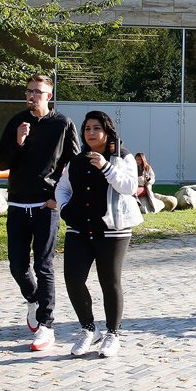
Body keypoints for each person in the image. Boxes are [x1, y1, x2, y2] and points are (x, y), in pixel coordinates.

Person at [0, 74, 79, 352]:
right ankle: (33, 299)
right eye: (29, 91)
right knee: (17, 266)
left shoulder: (63, 124)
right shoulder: (17, 122)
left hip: (46, 206)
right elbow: (1, 162)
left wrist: (60, 198)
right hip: (18, 204)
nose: (32, 96)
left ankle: (46, 325)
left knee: (44, 266)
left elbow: (74, 165)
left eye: (38, 92)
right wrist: (18, 142)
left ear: (49, 96)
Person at [55, 111, 141, 359]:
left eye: (96, 128)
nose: (91, 133)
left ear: (107, 132)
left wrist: (105, 166)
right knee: (73, 279)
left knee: (109, 281)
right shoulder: (76, 160)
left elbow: (128, 187)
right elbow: (62, 188)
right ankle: (88, 329)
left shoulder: (122, 157)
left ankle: (112, 333)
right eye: (87, 129)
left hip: (113, 230)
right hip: (79, 229)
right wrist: (64, 209)